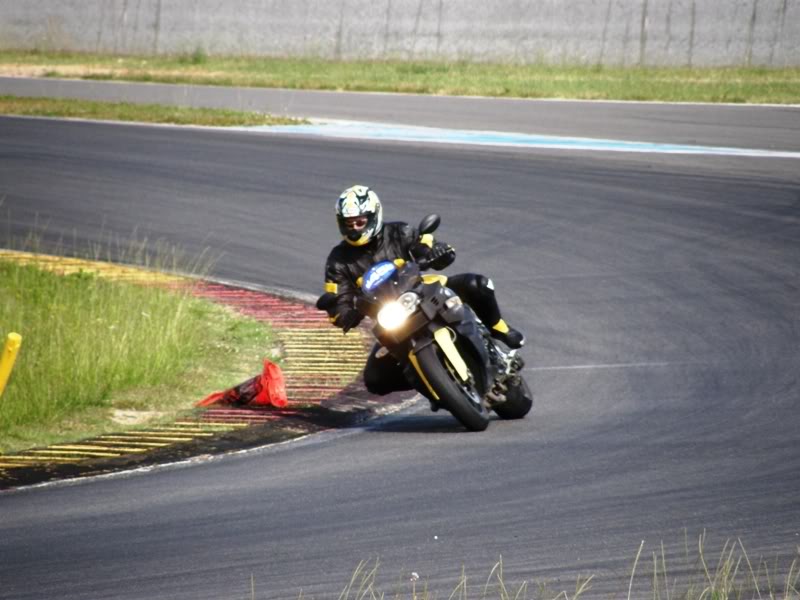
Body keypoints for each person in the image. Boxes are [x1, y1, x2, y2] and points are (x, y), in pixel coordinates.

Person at [322, 184, 525, 396]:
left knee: (478, 285)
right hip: (389, 316)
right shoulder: (338, 261)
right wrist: (341, 311)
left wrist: (437, 251)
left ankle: (500, 328)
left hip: (425, 290)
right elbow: (337, 297)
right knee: (375, 380)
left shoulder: (399, 232)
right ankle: (431, 382)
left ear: (373, 216)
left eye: (360, 222)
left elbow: (425, 242)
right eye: (349, 223)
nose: (355, 228)